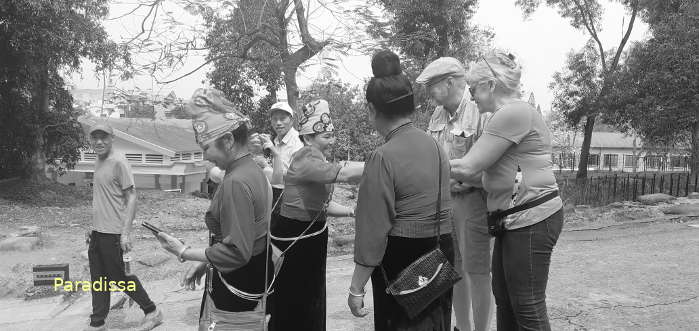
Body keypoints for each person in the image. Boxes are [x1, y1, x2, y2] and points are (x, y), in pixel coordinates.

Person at [449, 50, 564, 331]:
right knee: (506, 299)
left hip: (531, 219)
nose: (471, 94)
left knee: (526, 305)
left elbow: (467, 167)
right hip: (514, 220)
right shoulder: (504, 115)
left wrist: (415, 162)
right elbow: (494, 175)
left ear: (490, 84)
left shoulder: (513, 113)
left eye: (473, 87)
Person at [348, 50, 455, 331]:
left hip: (402, 261)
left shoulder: (382, 157)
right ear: (410, 106)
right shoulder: (435, 146)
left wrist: (356, 287)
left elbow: (372, 232)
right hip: (439, 253)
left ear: (371, 109)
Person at [155, 89, 273, 328]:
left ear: (228, 141)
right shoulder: (251, 169)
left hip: (237, 283)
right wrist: (207, 262)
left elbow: (236, 252)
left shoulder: (236, 183)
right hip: (252, 274)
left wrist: (183, 251)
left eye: (206, 148)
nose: (206, 157)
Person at [268, 99, 364, 331]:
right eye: (325, 136)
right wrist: (386, 163)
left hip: (311, 237)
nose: (331, 141)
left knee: (313, 296)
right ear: (308, 138)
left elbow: (322, 206)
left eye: (332, 135)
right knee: (297, 302)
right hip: (295, 238)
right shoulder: (305, 159)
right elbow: (345, 175)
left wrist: (352, 211)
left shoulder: (318, 159)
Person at [416, 57, 494, 331]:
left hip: (474, 203)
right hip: (445, 202)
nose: (428, 92)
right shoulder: (437, 116)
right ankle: (462, 326)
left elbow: (491, 168)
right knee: (452, 271)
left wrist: (463, 178)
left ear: (449, 82)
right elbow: (429, 159)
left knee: (478, 271)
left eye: (432, 85)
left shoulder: (480, 112)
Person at [85, 123, 163, 331]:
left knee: (121, 278)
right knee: (98, 280)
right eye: (95, 138)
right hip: (98, 232)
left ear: (112, 138)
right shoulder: (98, 160)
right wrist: (92, 227)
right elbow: (103, 197)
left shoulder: (119, 161)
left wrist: (125, 233)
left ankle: (152, 311)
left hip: (114, 233)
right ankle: (97, 322)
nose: (99, 142)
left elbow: (132, 197)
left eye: (104, 137)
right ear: (90, 140)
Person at [258, 101, 304, 215]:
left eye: (283, 118)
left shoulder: (298, 142)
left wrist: (267, 169)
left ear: (292, 120)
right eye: (274, 119)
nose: (278, 123)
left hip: (291, 195)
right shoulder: (276, 140)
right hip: (275, 192)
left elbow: (298, 176)